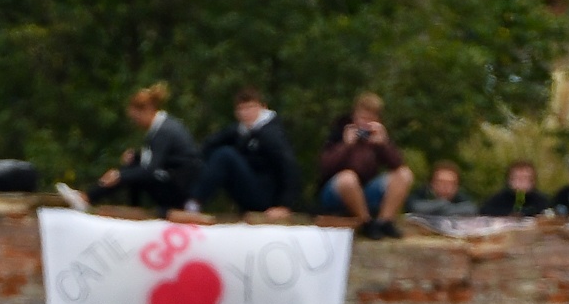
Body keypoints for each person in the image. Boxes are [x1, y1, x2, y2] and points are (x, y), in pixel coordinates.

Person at [184, 87, 299, 219]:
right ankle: (187, 199)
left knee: (225, 155)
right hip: (247, 191)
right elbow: (208, 147)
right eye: (241, 109)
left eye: (250, 108)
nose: (246, 113)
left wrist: (284, 205)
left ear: (262, 107)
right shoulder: (239, 130)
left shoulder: (272, 135)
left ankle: (193, 204)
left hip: (266, 197)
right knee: (212, 156)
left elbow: (288, 167)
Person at [90, 84, 199, 213]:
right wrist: (137, 156)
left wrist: (120, 175)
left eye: (136, 118)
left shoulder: (164, 131)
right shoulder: (160, 127)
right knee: (133, 164)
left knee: (132, 172)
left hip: (180, 190)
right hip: (173, 179)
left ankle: (90, 196)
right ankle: (128, 205)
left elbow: (150, 170)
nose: (136, 123)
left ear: (147, 110)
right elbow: (161, 159)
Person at [317, 92, 412, 239]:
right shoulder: (340, 131)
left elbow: (397, 164)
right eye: (363, 118)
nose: (365, 123)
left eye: (370, 119)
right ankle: (365, 223)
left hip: (365, 190)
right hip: (337, 190)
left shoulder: (377, 138)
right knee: (348, 178)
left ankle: (384, 222)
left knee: (404, 174)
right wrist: (346, 146)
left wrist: (384, 145)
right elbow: (325, 166)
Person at [478, 161, 551, 218]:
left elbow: (548, 215)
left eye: (525, 178)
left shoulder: (541, 200)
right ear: (510, 180)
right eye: (518, 178)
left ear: (533, 181)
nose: (521, 182)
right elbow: (484, 212)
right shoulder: (498, 199)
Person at [408, 162, 477, 218]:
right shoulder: (421, 193)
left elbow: (471, 209)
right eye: (441, 182)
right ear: (431, 184)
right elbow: (415, 207)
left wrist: (442, 209)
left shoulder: (460, 197)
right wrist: (442, 203)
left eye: (451, 183)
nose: (445, 187)